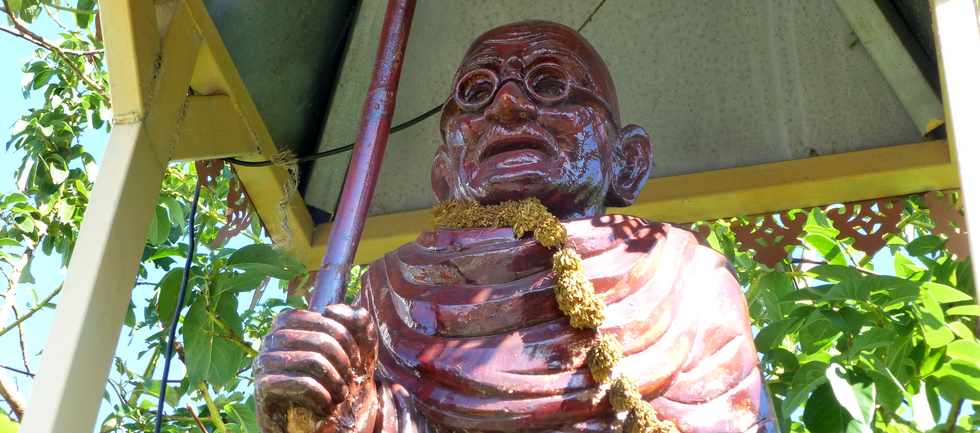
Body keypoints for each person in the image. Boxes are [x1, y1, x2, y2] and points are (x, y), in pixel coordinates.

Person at [255, 20, 775, 433]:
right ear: (444, 171)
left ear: (628, 161)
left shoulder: (684, 277)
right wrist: (341, 407)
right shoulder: (389, 293)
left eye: (549, 84)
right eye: (476, 91)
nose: (507, 105)